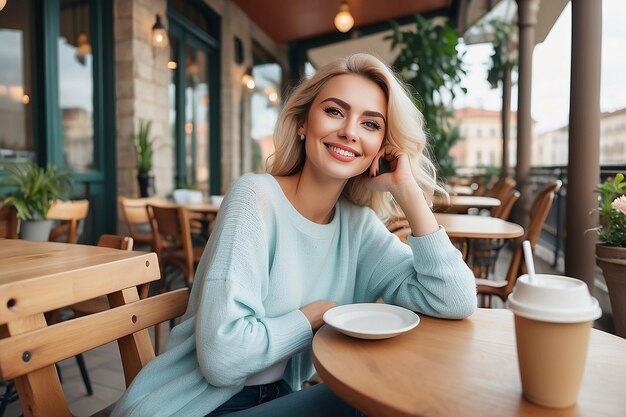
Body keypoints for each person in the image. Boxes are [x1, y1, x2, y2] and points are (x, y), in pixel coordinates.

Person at [112, 53, 476, 417]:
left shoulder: (358, 228)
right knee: (374, 403)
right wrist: (309, 319)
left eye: (370, 124)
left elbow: (454, 299)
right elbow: (222, 358)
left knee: (389, 392)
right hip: (193, 407)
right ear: (303, 122)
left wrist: (407, 190)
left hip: (278, 399)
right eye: (335, 111)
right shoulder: (255, 198)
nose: (350, 130)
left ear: (381, 146)